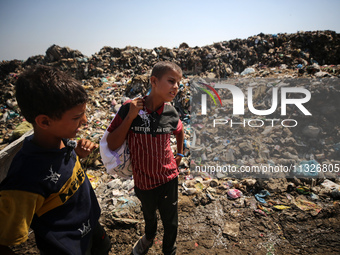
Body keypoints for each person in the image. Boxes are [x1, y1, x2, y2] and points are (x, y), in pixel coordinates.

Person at [0, 66, 111, 255]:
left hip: (92, 229)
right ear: (44, 122)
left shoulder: (61, 141)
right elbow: (6, 237)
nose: (85, 120)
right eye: (76, 117)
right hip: (67, 247)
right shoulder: (25, 179)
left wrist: (77, 153)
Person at [106, 61, 184, 255]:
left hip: (168, 178)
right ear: (154, 81)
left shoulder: (171, 112)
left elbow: (180, 131)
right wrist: (131, 117)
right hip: (143, 181)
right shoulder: (129, 108)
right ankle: (148, 237)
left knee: (171, 221)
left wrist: (180, 154)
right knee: (149, 216)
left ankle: (169, 250)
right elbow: (112, 144)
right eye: (171, 81)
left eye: (178, 83)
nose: (176, 87)